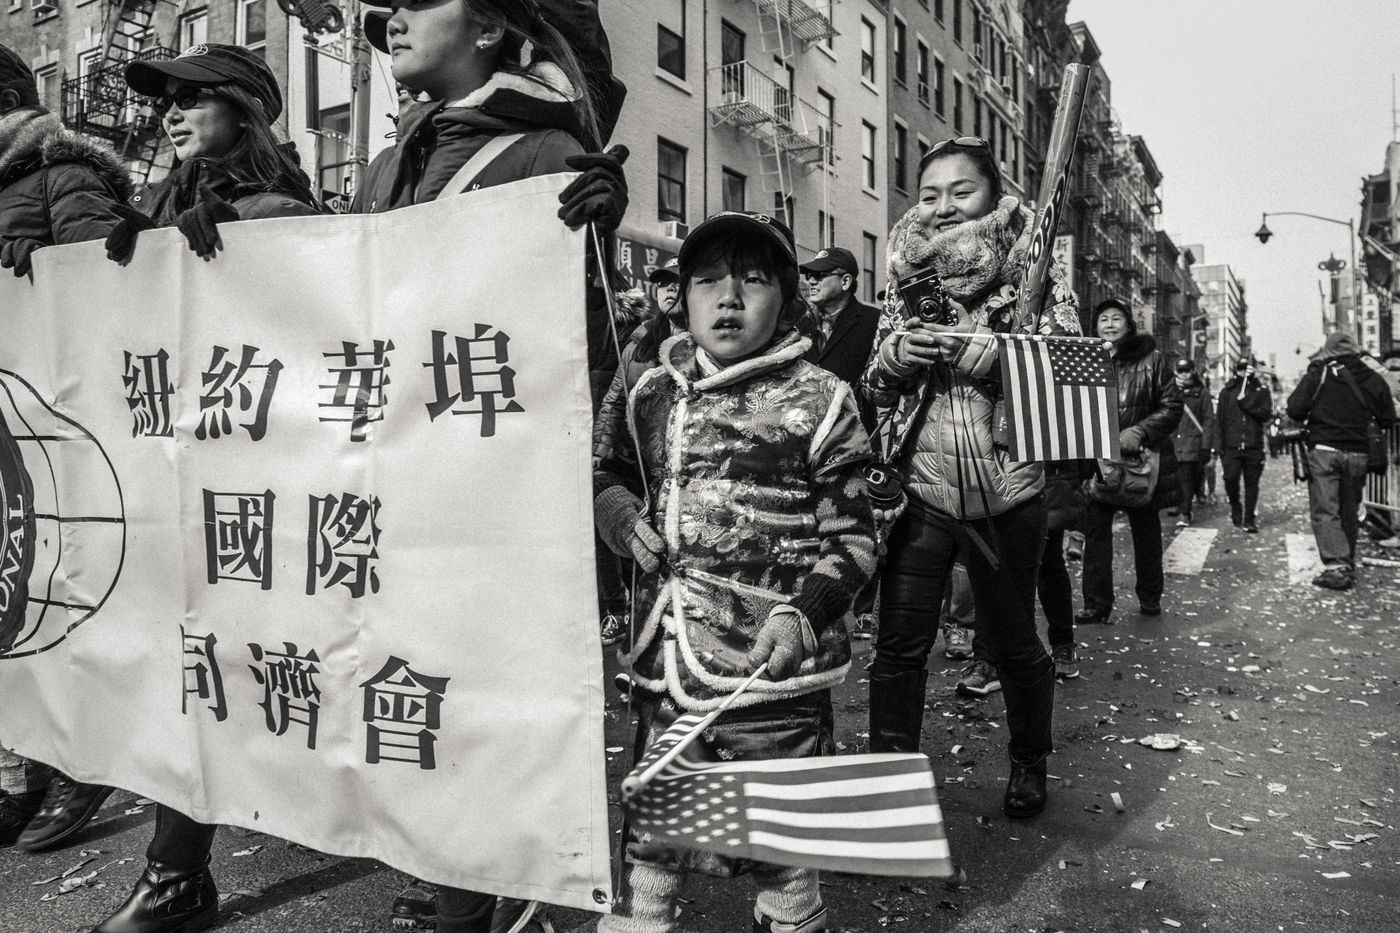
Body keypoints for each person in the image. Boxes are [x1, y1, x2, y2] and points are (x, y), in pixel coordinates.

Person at [353, 3, 629, 931]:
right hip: (392, 480)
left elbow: (573, 355)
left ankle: (492, 891)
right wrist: (223, 257)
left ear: (487, 30)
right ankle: (458, 878)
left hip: (489, 493)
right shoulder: (388, 164)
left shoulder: (549, 156)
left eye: (418, 1)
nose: (392, 19)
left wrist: (595, 248)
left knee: (484, 695)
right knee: (407, 679)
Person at [88, 43, 326, 933]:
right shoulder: (156, 208)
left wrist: (247, 258)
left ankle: (176, 874)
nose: (170, 114)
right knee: (194, 677)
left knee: (214, 675)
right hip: (170, 484)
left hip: (252, 493)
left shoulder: (287, 211)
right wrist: (73, 272)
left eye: (190, 98)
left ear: (242, 106)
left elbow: (311, 349)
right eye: (164, 103)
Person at [593, 210, 876, 933]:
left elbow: (855, 536)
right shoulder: (649, 391)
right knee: (656, 813)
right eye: (708, 281)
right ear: (683, 296)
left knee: (778, 835)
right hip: (668, 653)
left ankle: (789, 917)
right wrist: (620, 515)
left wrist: (804, 613)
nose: (728, 298)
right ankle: (644, 919)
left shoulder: (824, 399)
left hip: (770, 666)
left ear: (786, 297)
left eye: (752, 281)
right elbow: (609, 473)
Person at [864, 136, 1079, 820]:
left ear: (993, 195)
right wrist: (896, 356)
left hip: (1008, 492)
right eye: (930, 194)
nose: (944, 206)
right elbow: (873, 385)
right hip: (921, 493)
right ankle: (891, 783)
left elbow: (1072, 374)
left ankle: (1029, 761)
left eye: (962, 191)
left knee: (1013, 643)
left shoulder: (1034, 269)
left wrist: (992, 356)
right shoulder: (906, 274)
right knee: (899, 648)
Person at [0, 42, 131, 857]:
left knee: (67, 594)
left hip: (65, 431)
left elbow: (116, 292)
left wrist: (50, 275)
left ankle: (87, 758)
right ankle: (23, 768)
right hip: (7, 427)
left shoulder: (63, 172)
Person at [1076, 299, 1182, 624]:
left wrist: (1140, 431)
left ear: (1129, 324)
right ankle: (1096, 604)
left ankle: (1150, 597)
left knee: (1146, 535)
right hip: (1100, 463)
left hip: (1141, 464)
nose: (1109, 324)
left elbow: (1172, 406)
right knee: (1096, 537)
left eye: (1116, 318)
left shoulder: (1153, 360)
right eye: (1103, 319)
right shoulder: (1088, 360)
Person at [1286, 332, 1398, 590]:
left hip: (1324, 450)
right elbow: (1387, 418)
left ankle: (1337, 566)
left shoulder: (1320, 373)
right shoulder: (1372, 377)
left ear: (1328, 350)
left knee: (1326, 509)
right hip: (1358, 453)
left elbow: (1295, 409)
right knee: (1349, 509)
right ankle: (1345, 561)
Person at [1215, 357, 1272, 533]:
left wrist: (1246, 404)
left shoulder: (1261, 391)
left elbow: (1266, 415)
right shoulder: (1227, 392)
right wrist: (1218, 446)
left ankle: (1249, 519)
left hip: (1253, 445)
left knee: (1251, 484)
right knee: (1230, 478)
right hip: (1231, 446)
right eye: (1240, 368)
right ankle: (1235, 506)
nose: (1243, 372)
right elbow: (1220, 420)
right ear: (1235, 370)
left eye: (1246, 368)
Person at [1171, 358, 1214, 528]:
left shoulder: (1201, 392)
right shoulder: (1170, 390)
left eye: (1187, 371)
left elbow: (1208, 420)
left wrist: (1206, 446)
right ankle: (1178, 503)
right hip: (1174, 441)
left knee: (1186, 478)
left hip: (1192, 442)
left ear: (1193, 371)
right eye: (1181, 371)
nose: (1184, 375)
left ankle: (1185, 512)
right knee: (1175, 477)